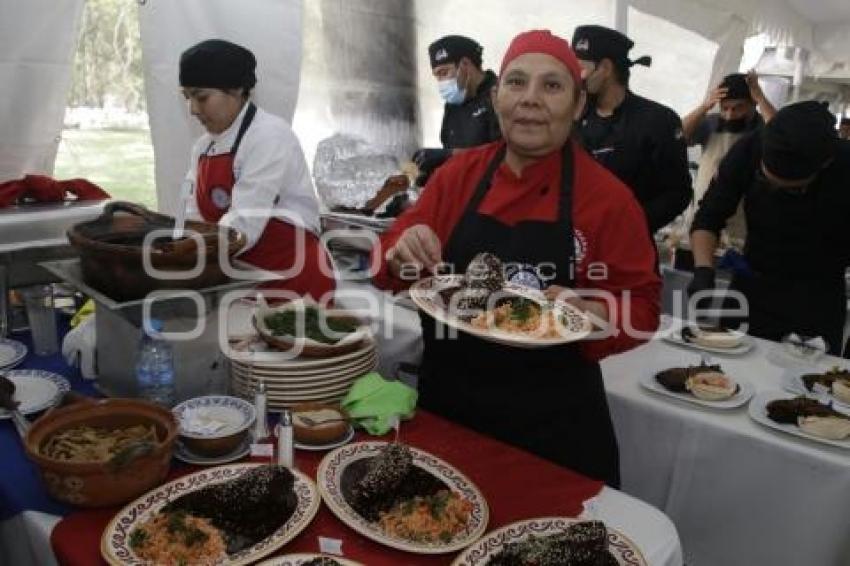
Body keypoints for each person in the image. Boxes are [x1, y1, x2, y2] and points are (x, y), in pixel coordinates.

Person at [372, 30, 661, 486]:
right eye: (516, 82)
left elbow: (642, 306)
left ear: (578, 105)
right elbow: (390, 253)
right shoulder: (458, 175)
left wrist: (597, 313)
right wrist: (402, 254)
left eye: (552, 86)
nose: (530, 99)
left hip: (552, 431)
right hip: (450, 409)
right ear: (497, 93)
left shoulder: (608, 200)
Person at [688, 101, 850, 355]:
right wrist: (702, 271)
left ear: (824, 164)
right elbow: (709, 217)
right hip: (753, 281)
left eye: (793, 190)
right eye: (768, 182)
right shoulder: (750, 147)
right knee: (723, 367)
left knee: (810, 385)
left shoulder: (845, 166)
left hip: (819, 294)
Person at [179, 39, 335, 302]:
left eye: (201, 97)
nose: (193, 109)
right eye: (187, 97)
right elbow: (193, 214)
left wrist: (187, 255)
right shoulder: (203, 148)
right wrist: (181, 245)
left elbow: (243, 226)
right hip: (244, 273)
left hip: (293, 276)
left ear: (238, 89)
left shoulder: (269, 136)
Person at [572, 25, 691, 235]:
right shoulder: (570, 116)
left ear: (606, 68)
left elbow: (678, 193)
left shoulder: (657, 121)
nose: (575, 77)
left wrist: (629, 225)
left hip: (626, 245)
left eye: (581, 68)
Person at [672, 72, 777, 267]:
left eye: (738, 108)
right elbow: (677, 136)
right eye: (725, 108)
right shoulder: (711, 123)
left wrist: (761, 98)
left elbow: (782, 134)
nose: (730, 115)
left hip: (741, 228)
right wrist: (704, 106)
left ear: (752, 104)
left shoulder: (762, 128)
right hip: (702, 222)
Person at [412, 35, 501, 186]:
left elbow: (505, 155)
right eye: (437, 76)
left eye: (444, 73)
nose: (441, 83)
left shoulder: (499, 96)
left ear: (465, 65)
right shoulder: (453, 105)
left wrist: (450, 155)